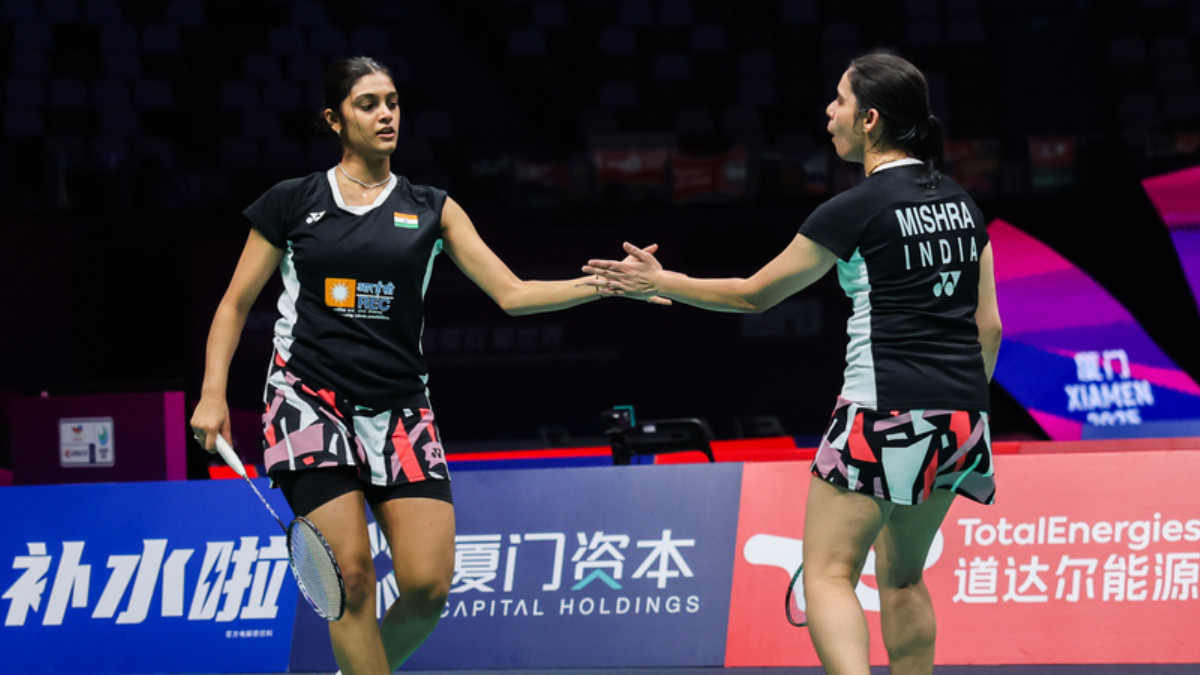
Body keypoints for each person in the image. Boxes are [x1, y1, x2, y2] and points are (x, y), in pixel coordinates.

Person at [190, 56, 662, 675]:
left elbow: (512, 293)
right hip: (309, 402)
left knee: (428, 586)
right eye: (367, 104)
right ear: (334, 119)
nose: (385, 114)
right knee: (352, 578)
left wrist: (604, 286)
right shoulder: (293, 202)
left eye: (391, 101)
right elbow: (233, 305)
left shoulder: (431, 207)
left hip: (400, 410)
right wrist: (212, 393)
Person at [583, 51, 1002, 675]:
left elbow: (755, 294)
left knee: (829, 575)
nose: (828, 112)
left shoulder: (855, 208)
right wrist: (954, 402)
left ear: (870, 120)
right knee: (906, 579)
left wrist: (659, 281)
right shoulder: (963, 204)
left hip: (880, 410)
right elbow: (988, 326)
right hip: (963, 416)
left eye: (839, 101)